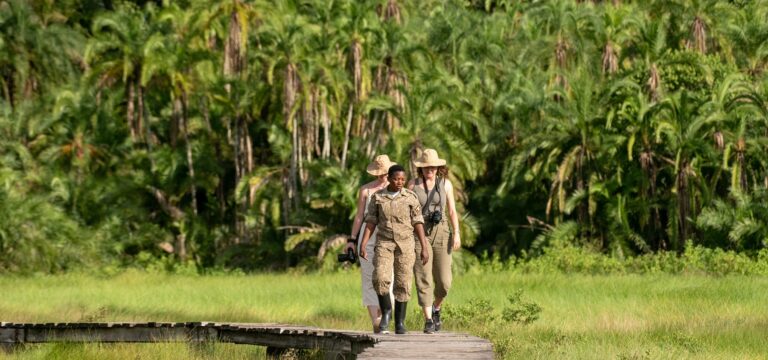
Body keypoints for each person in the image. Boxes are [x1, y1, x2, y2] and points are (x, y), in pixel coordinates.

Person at [359, 164, 429, 334]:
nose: (399, 182)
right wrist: (363, 242)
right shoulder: (378, 197)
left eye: (402, 179)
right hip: (384, 243)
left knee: (403, 282)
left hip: (405, 244)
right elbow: (371, 221)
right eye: (396, 179)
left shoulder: (410, 197)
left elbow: (418, 222)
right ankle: (386, 313)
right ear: (389, 178)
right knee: (380, 278)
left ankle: (400, 322)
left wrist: (424, 247)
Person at [408, 149, 461, 333]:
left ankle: (436, 308)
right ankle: (428, 319)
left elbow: (452, 211)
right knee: (423, 275)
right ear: (421, 168)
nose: (429, 170)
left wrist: (457, 233)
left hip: (442, 231)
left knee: (445, 281)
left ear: (438, 167)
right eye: (426, 167)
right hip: (419, 232)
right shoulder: (413, 185)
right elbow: (406, 210)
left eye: (433, 167)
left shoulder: (445, 184)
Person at [346, 154, 396, 333]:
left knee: (387, 277)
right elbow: (359, 216)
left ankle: (385, 316)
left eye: (386, 173)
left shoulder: (395, 189)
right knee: (368, 278)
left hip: (388, 237)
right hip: (368, 237)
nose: (383, 177)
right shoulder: (366, 190)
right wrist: (352, 240)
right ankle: (376, 322)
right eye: (380, 174)